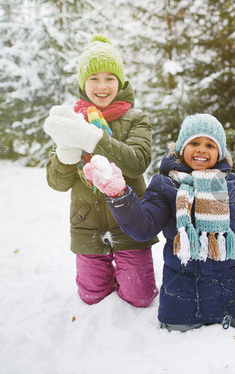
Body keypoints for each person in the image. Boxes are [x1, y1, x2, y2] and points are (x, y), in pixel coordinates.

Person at [82, 114, 235, 335]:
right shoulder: (166, 185)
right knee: (179, 333)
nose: (202, 150)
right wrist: (119, 194)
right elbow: (143, 227)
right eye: (194, 143)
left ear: (220, 152)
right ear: (181, 148)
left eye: (210, 145)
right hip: (183, 299)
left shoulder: (233, 185)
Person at [43, 34, 158, 307]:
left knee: (139, 298)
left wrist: (92, 138)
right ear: (84, 83)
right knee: (92, 297)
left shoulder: (136, 119)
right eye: (94, 78)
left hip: (131, 225)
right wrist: (67, 151)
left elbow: (137, 162)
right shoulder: (71, 121)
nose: (102, 86)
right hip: (87, 225)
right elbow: (57, 183)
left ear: (120, 82)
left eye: (110, 78)